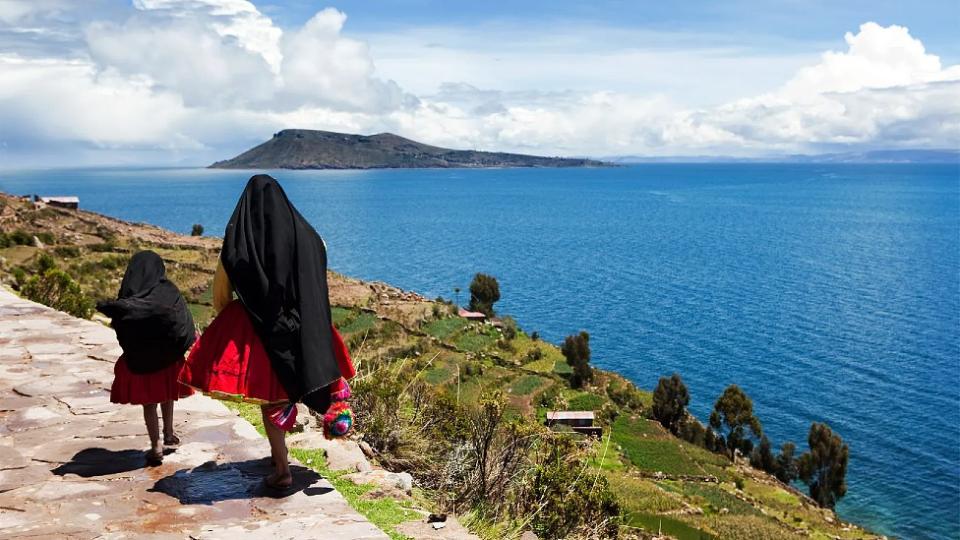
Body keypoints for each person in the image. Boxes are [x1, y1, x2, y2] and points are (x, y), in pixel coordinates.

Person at [180, 174, 356, 490]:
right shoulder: (311, 239)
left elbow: (222, 294)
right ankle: (318, 432)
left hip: (259, 328)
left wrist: (233, 324)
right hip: (308, 324)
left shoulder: (238, 247)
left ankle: (282, 466)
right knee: (311, 379)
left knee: (271, 400)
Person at [96, 250, 196, 466]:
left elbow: (122, 327)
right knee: (168, 394)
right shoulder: (168, 291)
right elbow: (182, 320)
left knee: (149, 403)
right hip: (168, 360)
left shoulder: (129, 296)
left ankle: (156, 445)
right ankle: (169, 432)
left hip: (142, 361)